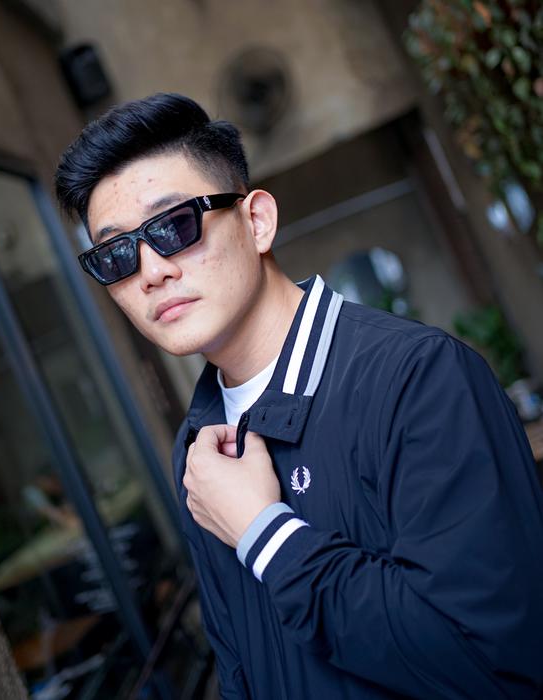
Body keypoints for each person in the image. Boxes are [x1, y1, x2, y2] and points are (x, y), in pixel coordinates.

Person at [55, 93, 543, 699]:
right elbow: (240, 668)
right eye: (117, 253)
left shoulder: (417, 378)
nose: (151, 272)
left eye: (175, 226)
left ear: (257, 221)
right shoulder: (199, 447)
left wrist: (265, 534)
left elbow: (498, 666)